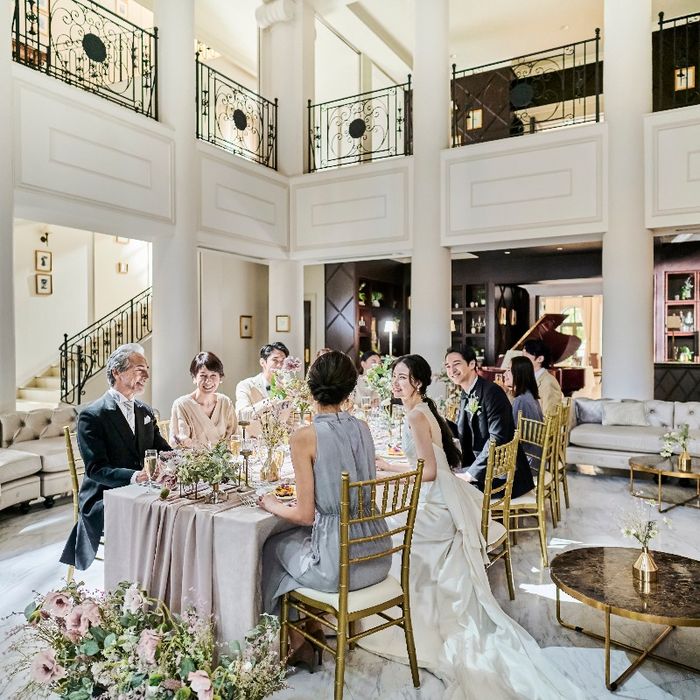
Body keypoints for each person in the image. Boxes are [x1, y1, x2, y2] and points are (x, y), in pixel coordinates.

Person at [364, 355, 584, 700]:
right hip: (445, 493)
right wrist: (387, 465)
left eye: (402, 377)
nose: (395, 382)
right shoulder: (424, 409)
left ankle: (392, 612)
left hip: (437, 501)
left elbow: (428, 471)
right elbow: (428, 460)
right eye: (394, 376)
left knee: (387, 525)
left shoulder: (416, 415)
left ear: (417, 383)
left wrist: (392, 472)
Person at [258, 351, 391, 663]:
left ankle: (294, 641)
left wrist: (271, 503)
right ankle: (312, 628)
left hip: (340, 566)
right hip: (378, 553)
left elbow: (305, 515)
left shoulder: (304, 437)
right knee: (294, 543)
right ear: (349, 389)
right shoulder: (363, 427)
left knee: (272, 546)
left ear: (310, 387)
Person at [60, 343, 171, 571]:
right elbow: (96, 469)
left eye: (147, 369)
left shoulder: (145, 411)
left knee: (178, 509)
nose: (146, 375)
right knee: (159, 514)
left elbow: (163, 450)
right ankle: (133, 579)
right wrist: (136, 477)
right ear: (117, 372)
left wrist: (183, 457)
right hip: (104, 497)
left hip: (143, 491)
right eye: (140, 370)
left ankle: (160, 576)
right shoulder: (92, 415)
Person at [444, 346, 534, 498]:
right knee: (441, 478)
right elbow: (463, 432)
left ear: (472, 364)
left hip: (502, 475)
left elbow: (497, 439)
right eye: (447, 366)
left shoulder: (492, 392)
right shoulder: (466, 392)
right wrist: (440, 421)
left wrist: (470, 474)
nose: (451, 370)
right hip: (482, 466)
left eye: (456, 364)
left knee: (445, 488)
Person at [169, 351, 237, 448]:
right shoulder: (182, 405)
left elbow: (234, 437)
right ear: (194, 378)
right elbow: (179, 442)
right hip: (193, 457)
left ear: (220, 378)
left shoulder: (225, 402)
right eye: (203, 375)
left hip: (225, 457)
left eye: (213, 375)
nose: (208, 381)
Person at [504, 356, 544, 469]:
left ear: (519, 374)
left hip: (527, 464)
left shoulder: (521, 400)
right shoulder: (529, 395)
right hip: (536, 457)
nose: (504, 374)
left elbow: (511, 435)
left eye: (508, 370)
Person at [235, 342, 289, 416]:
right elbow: (242, 414)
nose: (280, 365)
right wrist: (273, 400)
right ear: (262, 362)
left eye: (283, 361)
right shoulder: (246, 385)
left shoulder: (288, 387)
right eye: (275, 360)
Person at [522, 339, 563, 417]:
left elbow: (550, 416)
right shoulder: (530, 377)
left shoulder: (548, 383)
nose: (521, 360)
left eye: (525, 356)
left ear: (540, 359)